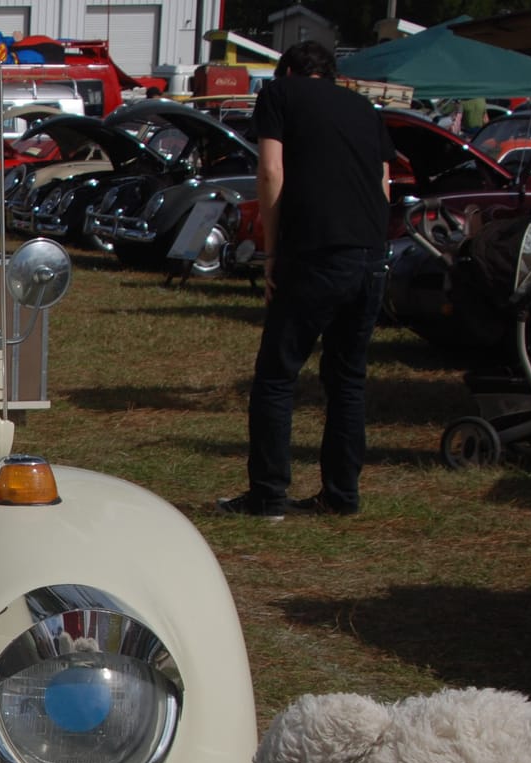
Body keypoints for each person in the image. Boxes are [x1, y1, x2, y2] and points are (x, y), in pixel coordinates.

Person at [217, 40, 393, 520]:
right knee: (348, 380)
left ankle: (268, 495)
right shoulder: (364, 106)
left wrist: (272, 251)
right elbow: (382, 183)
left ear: (289, 70)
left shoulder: (280, 93)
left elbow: (271, 171)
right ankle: (341, 495)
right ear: (331, 74)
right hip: (369, 254)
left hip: (315, 252)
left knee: (277, 376)